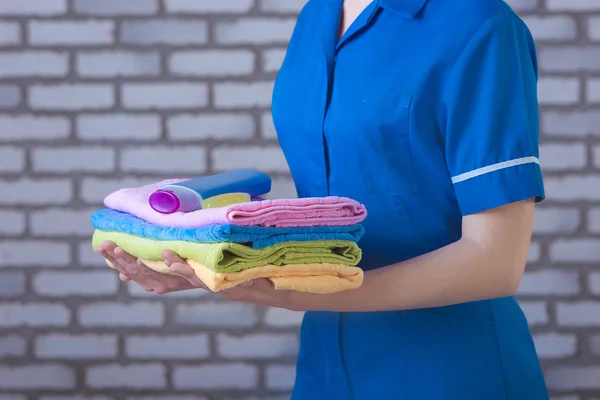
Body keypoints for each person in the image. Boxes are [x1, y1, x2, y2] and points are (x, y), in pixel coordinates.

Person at [97, 0, 550, 398]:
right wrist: (210, 264)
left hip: (449, 371)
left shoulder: (479, 24)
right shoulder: (318, 15)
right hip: (326, 365)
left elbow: (495, 263)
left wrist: (294, 294)